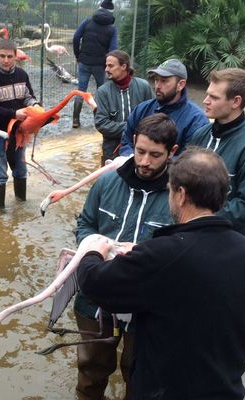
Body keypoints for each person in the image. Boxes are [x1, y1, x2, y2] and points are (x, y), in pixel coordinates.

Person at [76, 148, 245, 400]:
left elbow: (94, 283)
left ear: (181, 194)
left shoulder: (164, 254)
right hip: (224, 388)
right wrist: (143, 253)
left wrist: (94, 253)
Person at [73, 113, 177, 400]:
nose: (144, 161)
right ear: (133, 142)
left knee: (140, 371)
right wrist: (94, 248)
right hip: (95, 297)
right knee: (91, 366)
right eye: (140, 151)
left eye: (155, 155)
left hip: (147, 305)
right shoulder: (107, 183)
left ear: (172, 153)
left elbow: (186, 246)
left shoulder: (179, 196)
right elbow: (85, 224)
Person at [189, 68, 245, 242]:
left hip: (228, 242)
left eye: (214, 97)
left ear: (236, 101)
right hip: (193, 233)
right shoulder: (201, 135)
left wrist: (201, 218)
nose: (205, 101)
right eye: (207, 95)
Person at [0, 38, 39, 209]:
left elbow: (28, 96)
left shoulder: (22, 75)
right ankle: (1, 211)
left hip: (19, 131)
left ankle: (21, 206)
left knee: (20, 168)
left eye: (10, 57)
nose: (6, 60)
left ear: (15, 56)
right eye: (2, 56)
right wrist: (14, 114)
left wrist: (34, 106)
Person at [119, 59, 207, 156]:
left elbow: (190, 159)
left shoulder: (196, 119)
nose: (157, 86)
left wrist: (158, 165)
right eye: (156, 80)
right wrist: (132, 159)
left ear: (180, 85)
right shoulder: (142, 109)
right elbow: (126, 141)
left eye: (164, 81)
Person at [94, 50, 153, 165]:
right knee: (110, 181)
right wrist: (132, 128)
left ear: (123, 66)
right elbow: (101, 123)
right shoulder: (103, 91)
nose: (106, 69)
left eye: (110, 66)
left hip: (143, 148)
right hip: (112, 150)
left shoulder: (143, 86)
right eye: (106, 66)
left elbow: (154, 115)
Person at [72, 0, 118, 129]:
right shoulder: (112, 28)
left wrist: (78, 55)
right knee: (101, 91)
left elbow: (76, 37)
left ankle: (75, 120)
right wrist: (108, 64)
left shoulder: (87, 21)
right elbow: (114, 49)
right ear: (111, 12)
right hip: (100, 65)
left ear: (99, 8)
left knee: (81, 90)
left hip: (84, 62)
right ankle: (98, 120)